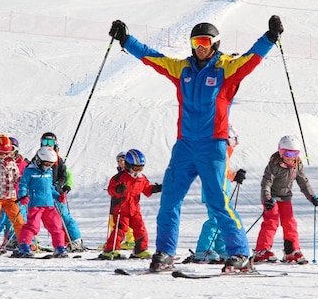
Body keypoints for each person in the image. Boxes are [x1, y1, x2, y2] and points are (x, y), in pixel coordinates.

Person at [108, 15, 284, 272]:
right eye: (196, 41)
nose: (200, 46)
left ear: (214, 44)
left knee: (217, 201)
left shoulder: (227, 68)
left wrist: (269, 38)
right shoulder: (183, 70)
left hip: (212, 146)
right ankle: (165, 252)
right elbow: (153, 58)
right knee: (169, 199)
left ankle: (240, 253)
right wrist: (126, 39)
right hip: (185, 146)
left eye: (205, 41)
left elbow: (251, 59)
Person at [186, 124, 245, 264]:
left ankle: (220, 248)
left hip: (222, 190)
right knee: (214, 220)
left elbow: (223, 171)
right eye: (234, 139)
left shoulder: (223, 151)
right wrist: (234, 175)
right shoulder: (218, 151)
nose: (236, 143)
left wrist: (235, 176)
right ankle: (203, 249)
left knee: (221, 220)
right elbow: (218, 170)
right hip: (214, 191)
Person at [254, 135, 318, 264]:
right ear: (281, 152)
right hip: (271, 198)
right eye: (288, 153)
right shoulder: (274, 165)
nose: (291, 157)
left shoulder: (297, 165)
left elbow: (303, 182)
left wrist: (311, 196)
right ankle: (262, 250)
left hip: (285, 197)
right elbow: (266, 183)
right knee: (271, 222)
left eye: (295, 154)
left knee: (290, 223)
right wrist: (267, 198)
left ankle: (292, 251)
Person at [100, 149, 161, 260]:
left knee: (140, 229)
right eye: (135, 168)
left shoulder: (141, 178)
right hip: (121, 209)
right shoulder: (119, 177)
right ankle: (111, 250)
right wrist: (118, 189)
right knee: (120, 230)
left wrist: (156, 188)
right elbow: (110, 189)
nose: (137, 171)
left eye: (140, 168)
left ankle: (140, 250)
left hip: (134, 210)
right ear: (128, 165)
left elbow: (147, 189)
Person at [13, 147, 68, 258]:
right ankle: (24, 246)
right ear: (38, 160)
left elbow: (50, 188)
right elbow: (22, 185)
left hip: (49, 205)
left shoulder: (49, 172)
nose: (48, 166)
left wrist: (58, 196)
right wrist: (22, 196)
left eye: (50, 164)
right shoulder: (29, 171)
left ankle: (59, 248)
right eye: (46, 164)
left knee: (56, 226)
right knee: (32, 226)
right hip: (35, 204)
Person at [36, 132, 86, 252]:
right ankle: (57, 241)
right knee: (43, 217)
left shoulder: (57, 159)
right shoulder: (38, 157)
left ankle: (75, 239)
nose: (48, 145)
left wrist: (60, 185)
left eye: (51, 143)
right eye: (45, 142)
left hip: (55, 191)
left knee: (64, 215)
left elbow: (64, 175)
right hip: (41, 192)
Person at [0, 136, 28, 252]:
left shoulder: (23, 164)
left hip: (17, 197)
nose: (9, 154)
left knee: (16, 221)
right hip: (2, 196)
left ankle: (14, 241)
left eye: (12, 150)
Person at [102, 152, 136, 250]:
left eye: (123, 160)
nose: (121, 162)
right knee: (113, 221)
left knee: (124, 222)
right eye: (119, 161)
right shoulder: (120, 173)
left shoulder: (129, 172)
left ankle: (129, 241)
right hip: (117, 199)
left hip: (125, 201)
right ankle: (114, 241)